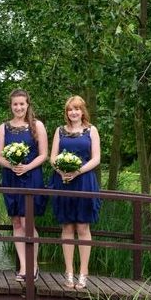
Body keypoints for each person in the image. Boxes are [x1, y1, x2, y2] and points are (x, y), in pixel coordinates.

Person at [0, 89, 48, 282]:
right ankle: (23, 266)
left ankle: (33, 266)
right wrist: (12, 165)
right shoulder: (4, 128)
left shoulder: (37, 126)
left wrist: (26, 167)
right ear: (11, 106)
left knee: (27, 223)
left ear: (27, 105)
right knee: (16, 222)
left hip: (31, 177)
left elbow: (44, 154)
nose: (18, 107)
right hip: (11, 177)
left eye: (22, 104)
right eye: (15, 104)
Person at [50, 95, 101, 290]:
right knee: (67, 227)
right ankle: (69, 273)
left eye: (77, 109)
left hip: (84, 181)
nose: (73, 112)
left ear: (82, 111)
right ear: (67, 112)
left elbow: (96, 158)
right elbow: (52, 157)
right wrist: (62, 170)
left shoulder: (91, 130)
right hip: (64, 181)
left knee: (82, 227)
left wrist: (77, 171)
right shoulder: (60, 131)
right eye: (70, 109)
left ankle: (83, 273)